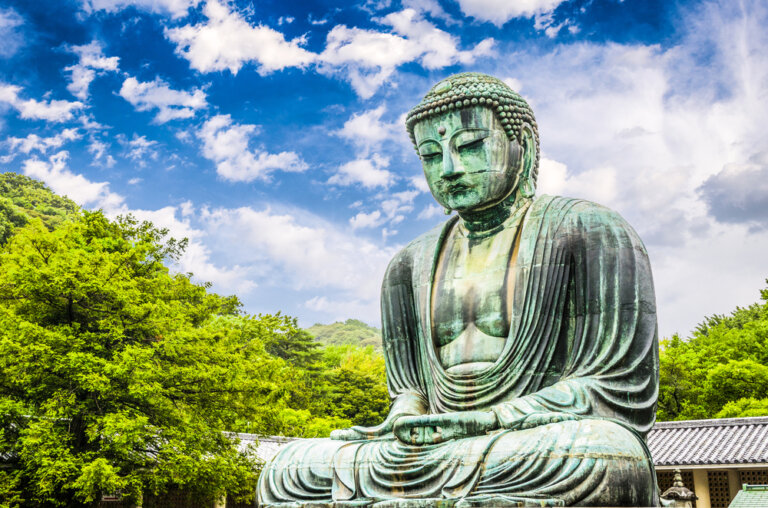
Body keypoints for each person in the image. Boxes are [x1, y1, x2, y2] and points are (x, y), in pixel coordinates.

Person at [258, 72, 660, 507]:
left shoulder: (588, 229)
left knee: (604, 456)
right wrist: (406, 420)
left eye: (469, 146)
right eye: (431, 155)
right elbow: (411, 390)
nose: (449, 169)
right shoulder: (407, 264)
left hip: (530, 439)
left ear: (519, 144)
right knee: (289, 467)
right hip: (438, 448)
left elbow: (618, 389)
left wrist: (490, 419)